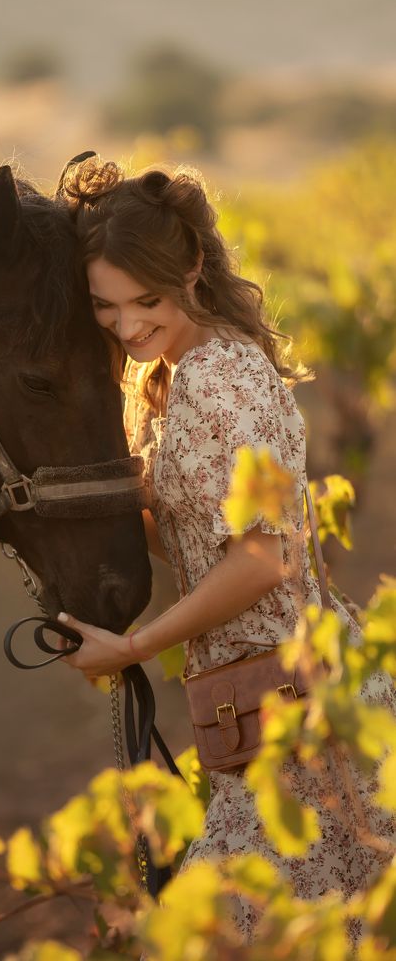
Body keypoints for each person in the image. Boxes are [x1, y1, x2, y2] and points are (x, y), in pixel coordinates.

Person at [56, 156, 395, 941]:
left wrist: (133, 645)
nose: (128, 325)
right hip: (262, 709)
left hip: (299, 721)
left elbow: (262, 559)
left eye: (146, 300)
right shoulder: (174, 379)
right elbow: (208, 547)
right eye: (105, 308)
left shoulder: (221, 379)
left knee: (204, 934)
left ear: (194, 266)